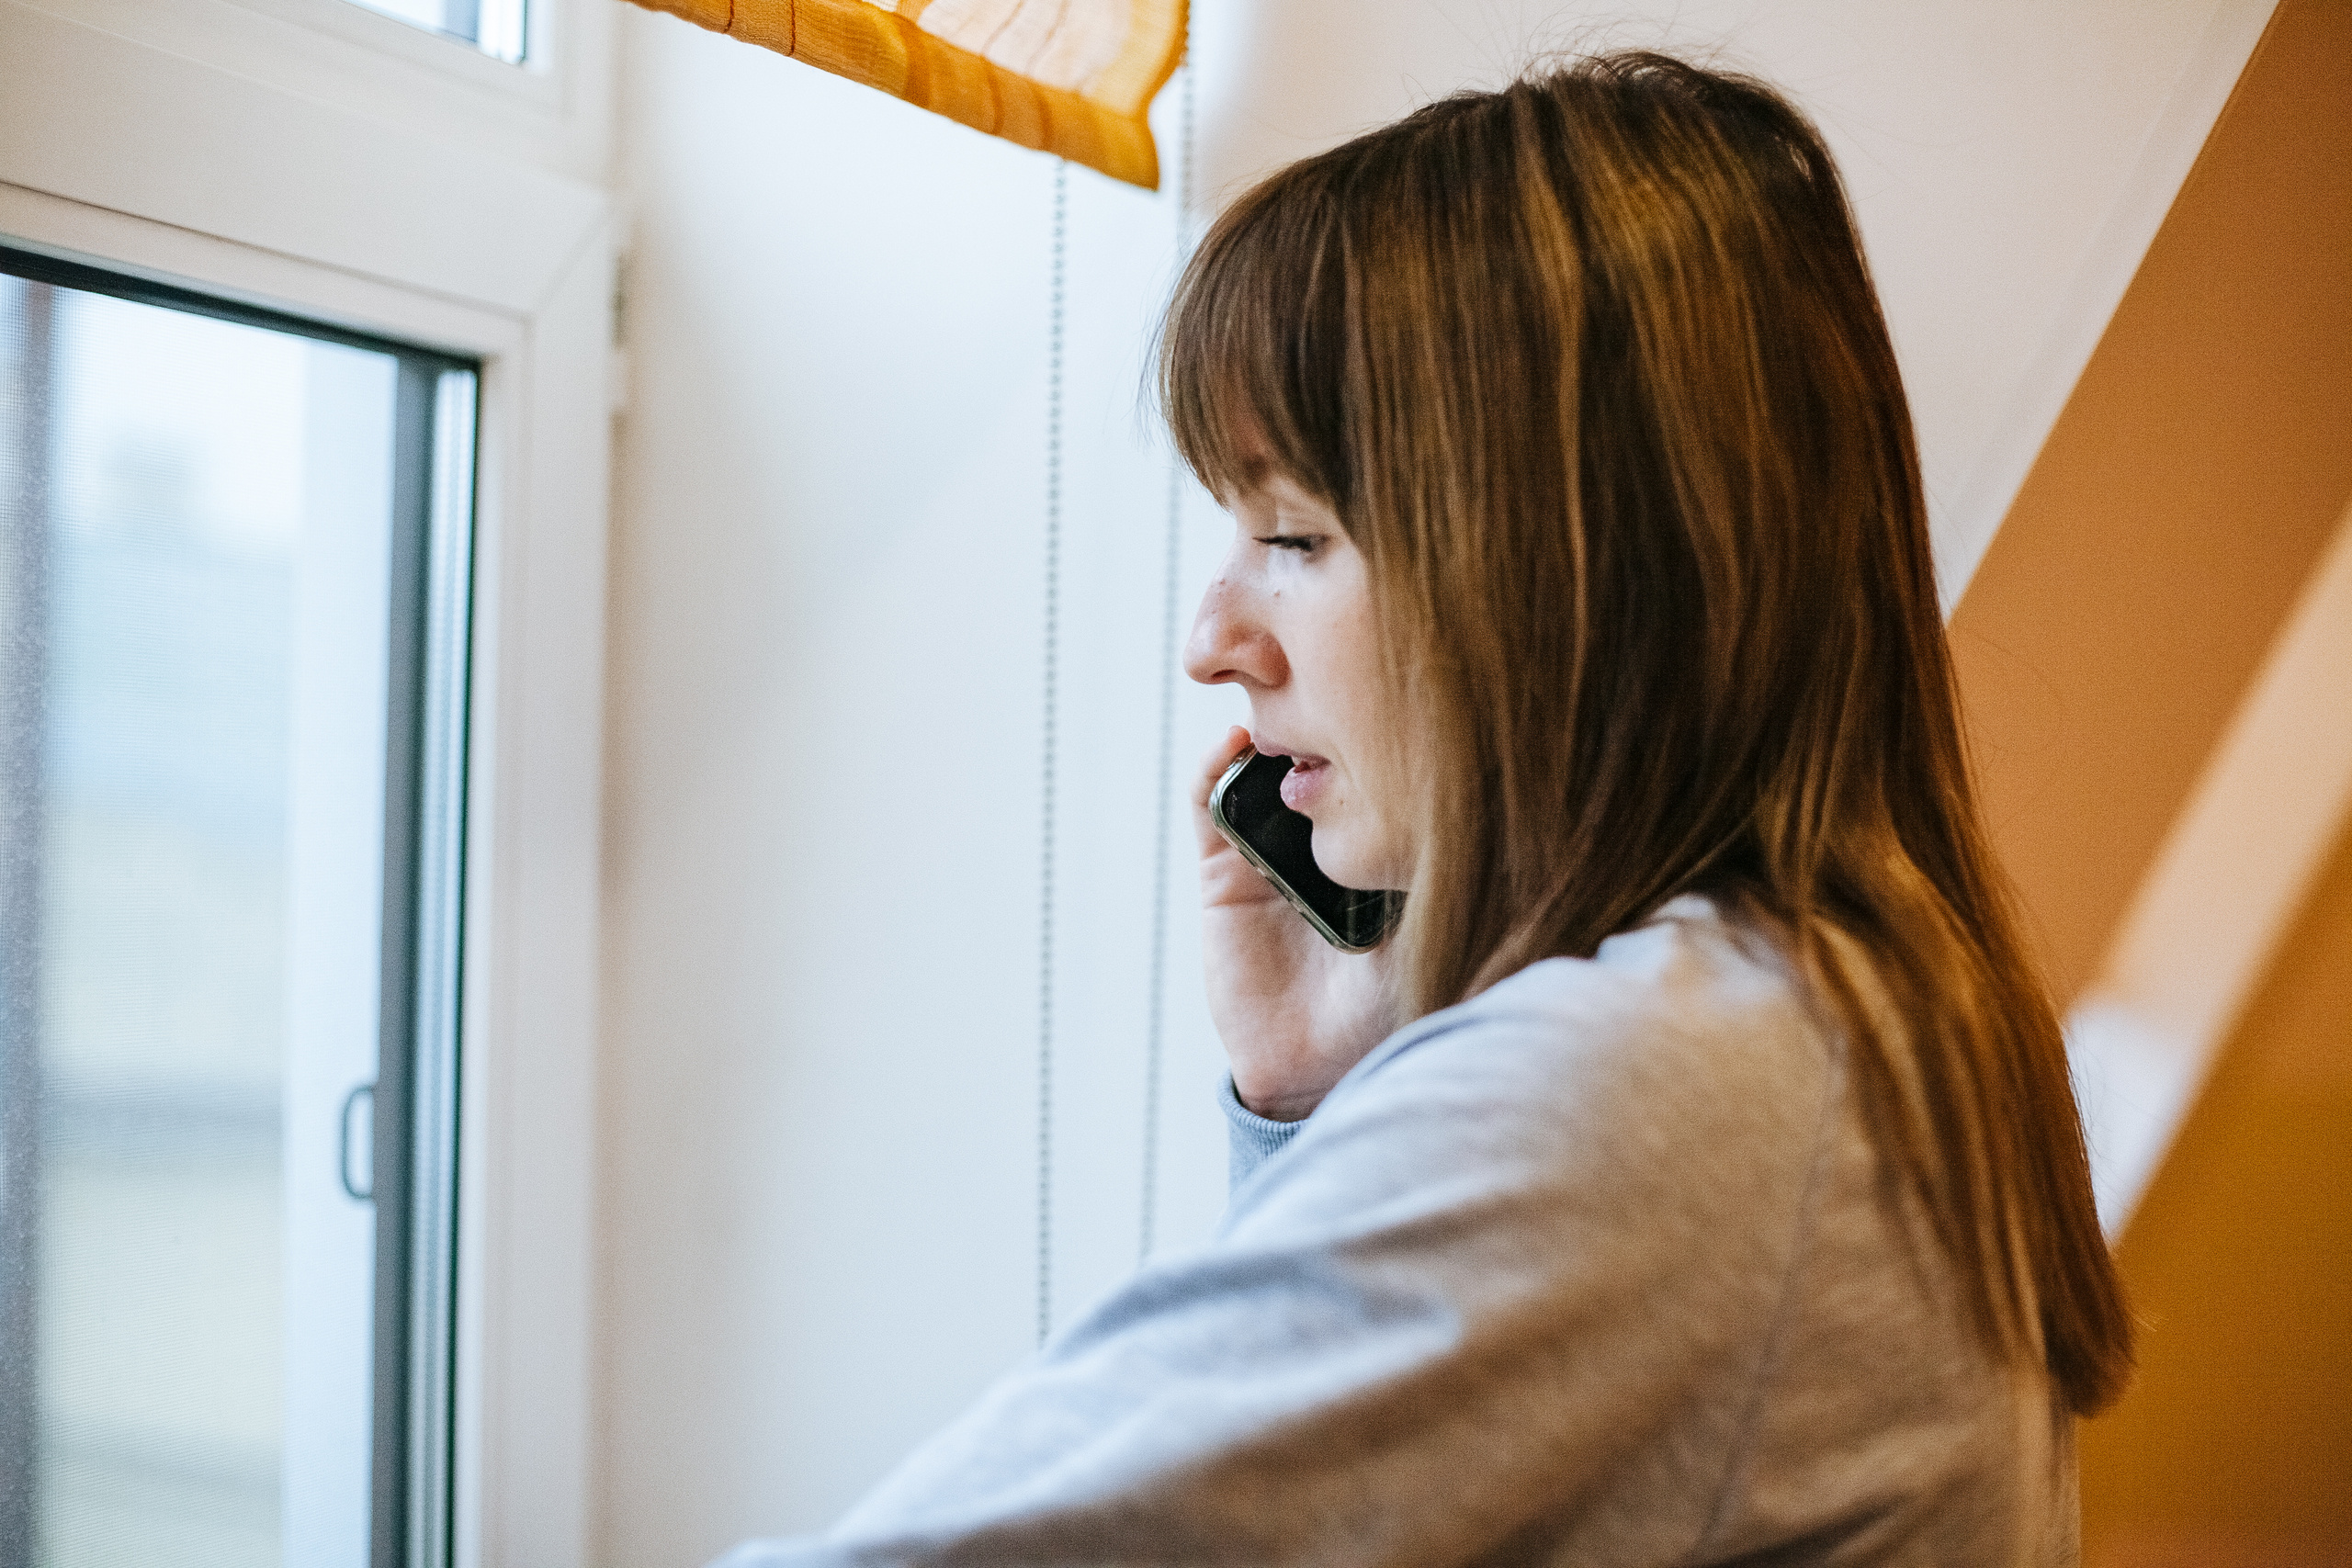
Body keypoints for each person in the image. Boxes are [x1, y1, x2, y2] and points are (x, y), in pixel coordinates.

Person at [716, 51, 2132, 1566]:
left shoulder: (1666, 1087)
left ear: (1560, 574)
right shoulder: (1863, 999)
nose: (1214, 641)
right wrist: (1320, 1091)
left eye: (1295, 534)